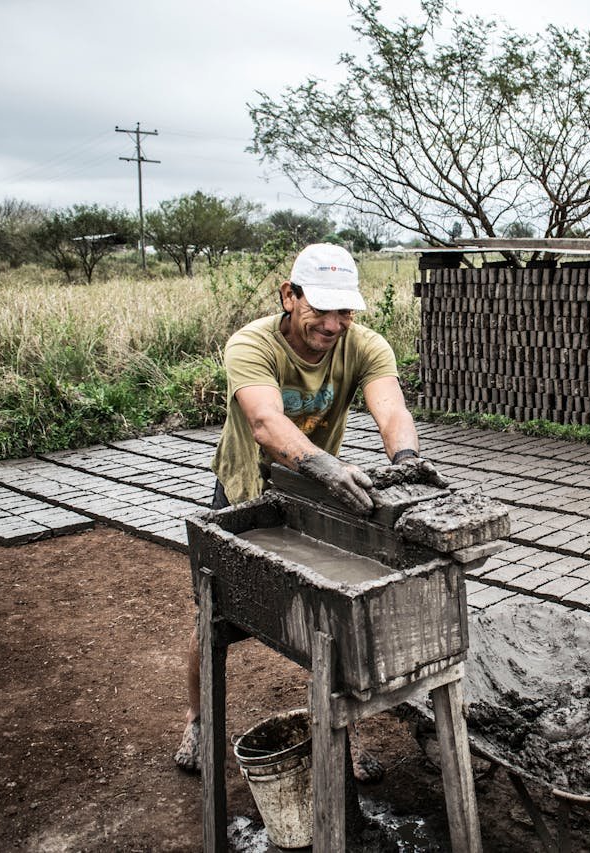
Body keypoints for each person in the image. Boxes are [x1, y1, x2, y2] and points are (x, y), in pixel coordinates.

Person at [174, 242, 445, 780]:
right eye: (320, 309)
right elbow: (266, 424)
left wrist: (408, 459)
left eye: (344, 311)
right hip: (248, 490)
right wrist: (324, 466)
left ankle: (343, 733)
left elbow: (390, 405)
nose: (332, 323)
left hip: (315, 497)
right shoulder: (252, 345)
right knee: (215, 616)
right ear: (289, 295)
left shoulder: (365, 346)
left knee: (335, 617)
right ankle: (199, 720)